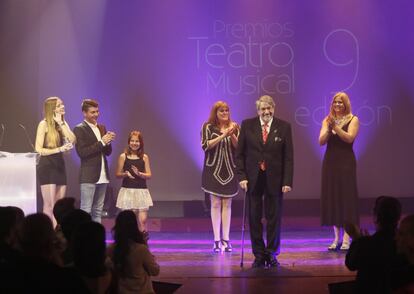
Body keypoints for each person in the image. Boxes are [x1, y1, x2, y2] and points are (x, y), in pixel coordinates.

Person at [235, 95, 293, 268]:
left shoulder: (284, 127)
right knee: (254, 218)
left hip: (275, 179)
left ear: (273, 108)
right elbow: (240, 155)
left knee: (274, 218)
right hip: (253, 179)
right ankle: (259, 254)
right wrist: (242, 176)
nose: (266, 112)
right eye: (263, 109)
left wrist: (287, 181)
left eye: (269, 108)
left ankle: (272, 253)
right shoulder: (247, 125)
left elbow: (288, 157)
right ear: (258, 110)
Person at [319, 92, 360, 251]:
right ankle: (336, 238)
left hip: (346, 162)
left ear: (346, 104)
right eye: (335, 102)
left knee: (346, 198)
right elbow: (321, 141)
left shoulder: (353, 119)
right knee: (333, 197)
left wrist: (336, 127)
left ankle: (347, 238)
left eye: (340, 102)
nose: (337, 105)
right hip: (330, 162)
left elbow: (350, 138)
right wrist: (329, 130)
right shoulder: (327, 120)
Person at [201, 101, 239, 253]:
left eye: (227, 110)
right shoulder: (207, 127)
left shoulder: (235, 126)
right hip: (213, 170)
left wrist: (232, 135)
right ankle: (216, 240)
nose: (225, 113)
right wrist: (223, 135)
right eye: (221, 111)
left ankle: (226, 239)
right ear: (215, 113)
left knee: (227, 204)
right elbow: (206, 145)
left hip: (229, 169)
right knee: (215, 204)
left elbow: (239, 147)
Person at [345, 196, 402, 294]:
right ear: (398, 217)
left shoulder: (366, 243)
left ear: (376, 217)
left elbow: (351, 264)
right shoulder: (403, 244)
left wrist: (357, 240)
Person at [35, 97, 76, 227]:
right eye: (59, 105)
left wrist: (61, 124)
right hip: (47, 166)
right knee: (50, 204)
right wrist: (59, 149)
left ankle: (59, 233)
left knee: (60, 205)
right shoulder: (44, 124)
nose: (63, 107)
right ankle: (48, 234)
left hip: (59, 165)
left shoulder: (62, 123)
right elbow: (38, 149)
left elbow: (73, 140)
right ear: (52, 109)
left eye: (62, 104)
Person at [73, 99, 115, 223]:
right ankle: (83, 239)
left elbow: (108, 152)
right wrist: (102, 142)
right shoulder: (79, 129)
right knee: (85, 210)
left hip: (103, 175)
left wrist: (108, 142)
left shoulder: (102, 127)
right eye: (92, 112)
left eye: (97, 111)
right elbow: (82, 153)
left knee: (98, 210)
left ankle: (96, 239)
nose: (96, 114)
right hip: (88, 176)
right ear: (84, 113)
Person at [108, 210, 160, 294]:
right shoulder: (141, 249)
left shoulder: (111, 249)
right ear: (134, 226)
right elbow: (154, 271)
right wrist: (145, 244)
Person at [115, 131, 153, 235]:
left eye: (137, 141)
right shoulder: (123, 156)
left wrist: (139, 173)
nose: (134, 143)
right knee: (129, 222)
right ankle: (129, 243)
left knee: (143, 220)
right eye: (132, 141)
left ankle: (142, 243)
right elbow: (117, 174)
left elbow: (149, 175)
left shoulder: (144, 157)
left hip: (141, 191)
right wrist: (125, 174)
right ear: (129, 142)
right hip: (127, 191)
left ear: (140, 143)